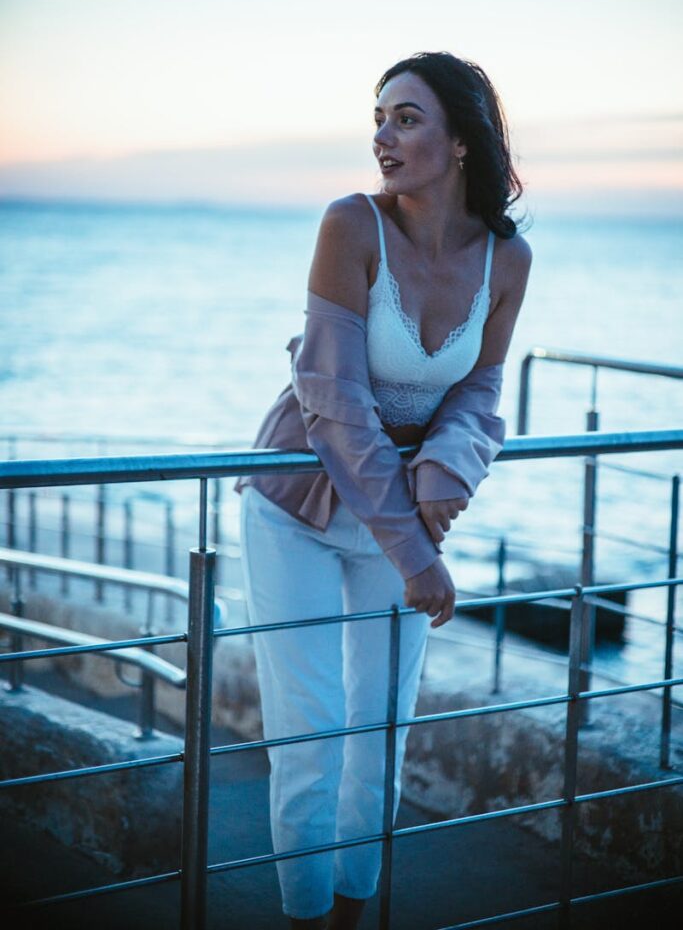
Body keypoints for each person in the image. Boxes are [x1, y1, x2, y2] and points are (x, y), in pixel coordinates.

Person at [235, 50, 532, 929]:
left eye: (406, 118)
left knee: (379, 740)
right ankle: (303, 917)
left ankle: (352, 919)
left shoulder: (507, 260)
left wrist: (447, 467)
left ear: (462, 142)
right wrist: (417, 552)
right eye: (379, 117)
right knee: (314, 736)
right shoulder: (351, 224)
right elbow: (332, 399)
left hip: (400, 512)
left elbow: (480, 389)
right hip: (295, 504)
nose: (382, 137)